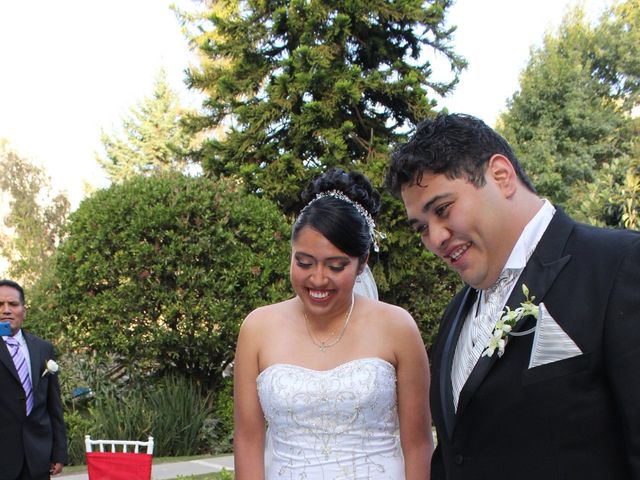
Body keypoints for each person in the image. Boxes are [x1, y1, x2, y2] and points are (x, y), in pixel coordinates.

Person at [384, 112, 640, 480]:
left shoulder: (619, 266)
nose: (436, 239)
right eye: (422, 228)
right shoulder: (455, 314)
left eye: (442, 210)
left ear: (501, 177)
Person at [233, 168, 433, 479]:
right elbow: (248, 441)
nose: (318, 279)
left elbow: (418, 444)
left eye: (336, 266)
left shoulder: (397, 327)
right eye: (304, 262)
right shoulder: (258, 328)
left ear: (362, 262)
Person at [0, 279, 68, 479]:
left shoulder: (43, 348)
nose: (6, 310)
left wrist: (59, 452)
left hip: (37, 456)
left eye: (13, 304)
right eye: (0, 305)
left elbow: (53, 405)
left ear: (24, 310)